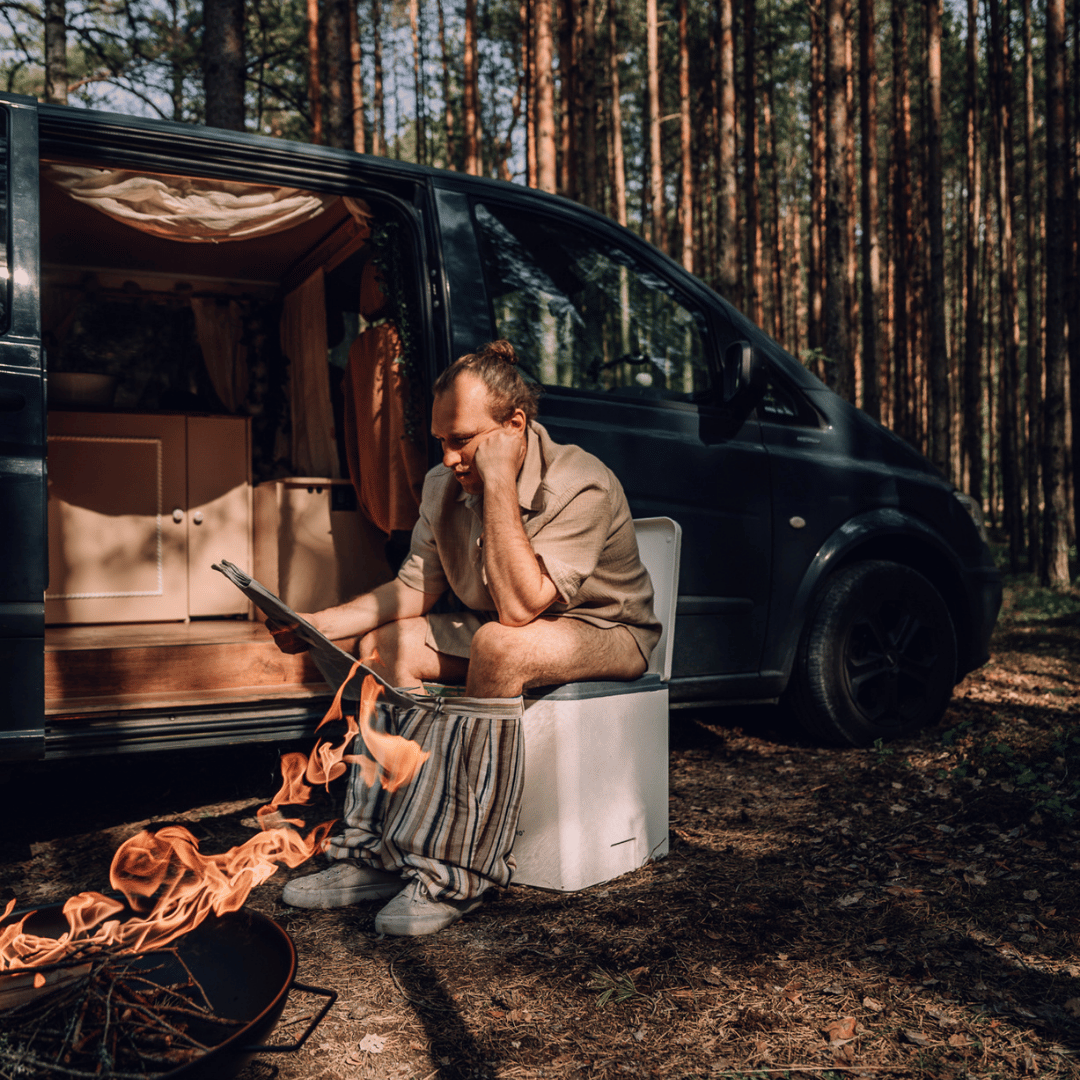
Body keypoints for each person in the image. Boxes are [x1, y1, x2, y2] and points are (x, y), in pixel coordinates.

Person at [271, 339, 660, 935]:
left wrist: (500, 482)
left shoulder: (581, 483)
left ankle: (456, 871)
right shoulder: (440, 485)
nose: (449, 457)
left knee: (498, 647)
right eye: (441, 441)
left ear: (514, 427)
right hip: (507, 624)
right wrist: (319, 625)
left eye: (463, 440)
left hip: (606, 629)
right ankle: (374, 852)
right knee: (386, 645)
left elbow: (522, 607)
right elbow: (412, 590)